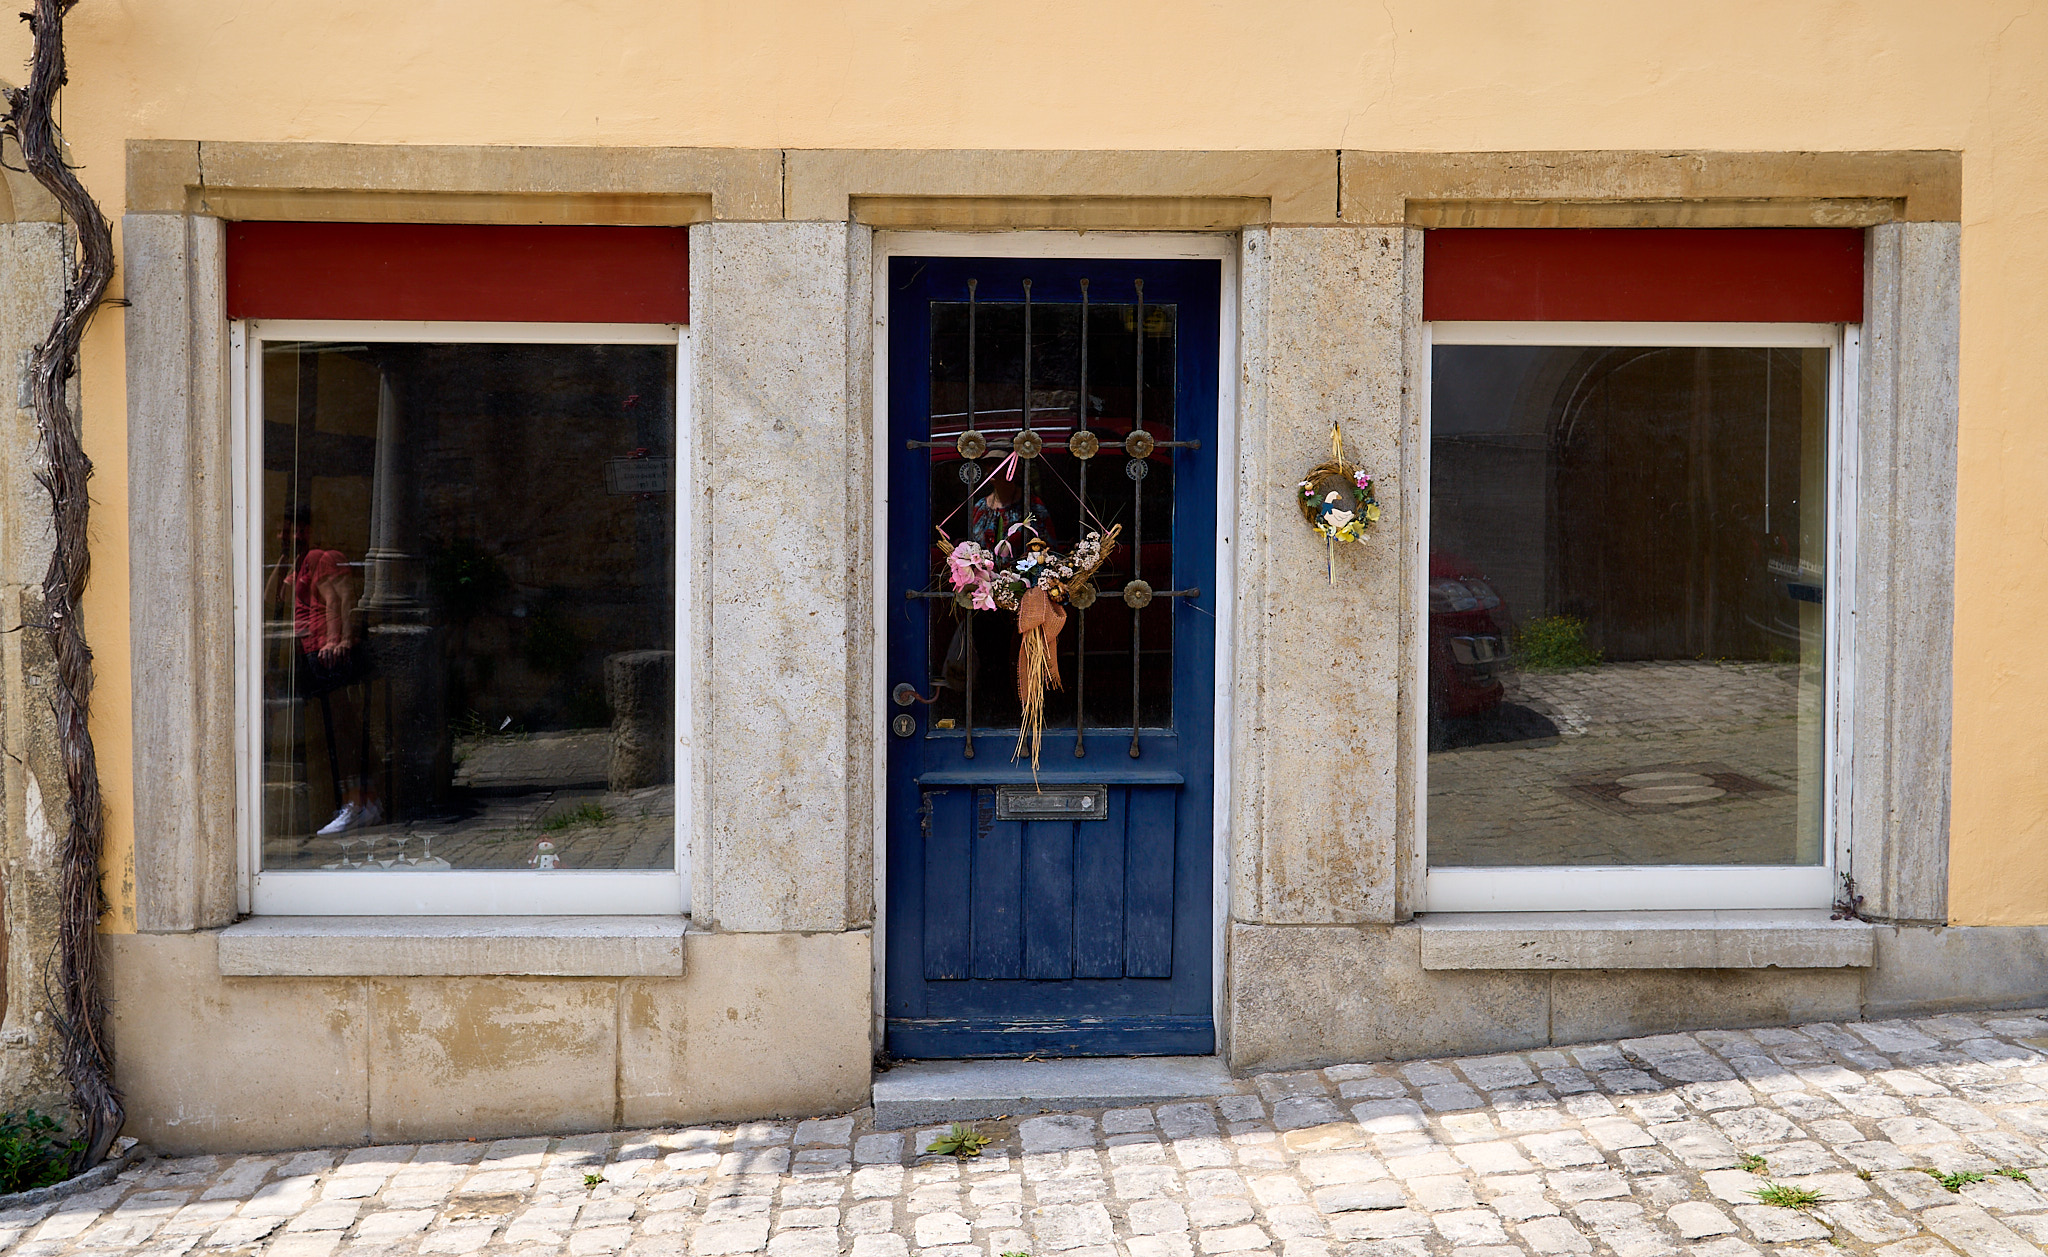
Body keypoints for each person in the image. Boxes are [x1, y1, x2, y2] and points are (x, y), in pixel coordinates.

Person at [265, 506, 381, 836]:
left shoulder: (320, 556)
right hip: (309, 651)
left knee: (341, 729)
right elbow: (274, 596)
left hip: (323, 651)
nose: (288, 537)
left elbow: (337, 600)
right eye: (283, 531)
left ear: (310, 531)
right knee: (334, 729)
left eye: (294, 530)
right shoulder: (301, 562)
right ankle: (360, 802)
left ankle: (357, 803)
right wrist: (282, 558)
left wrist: (335, 640)